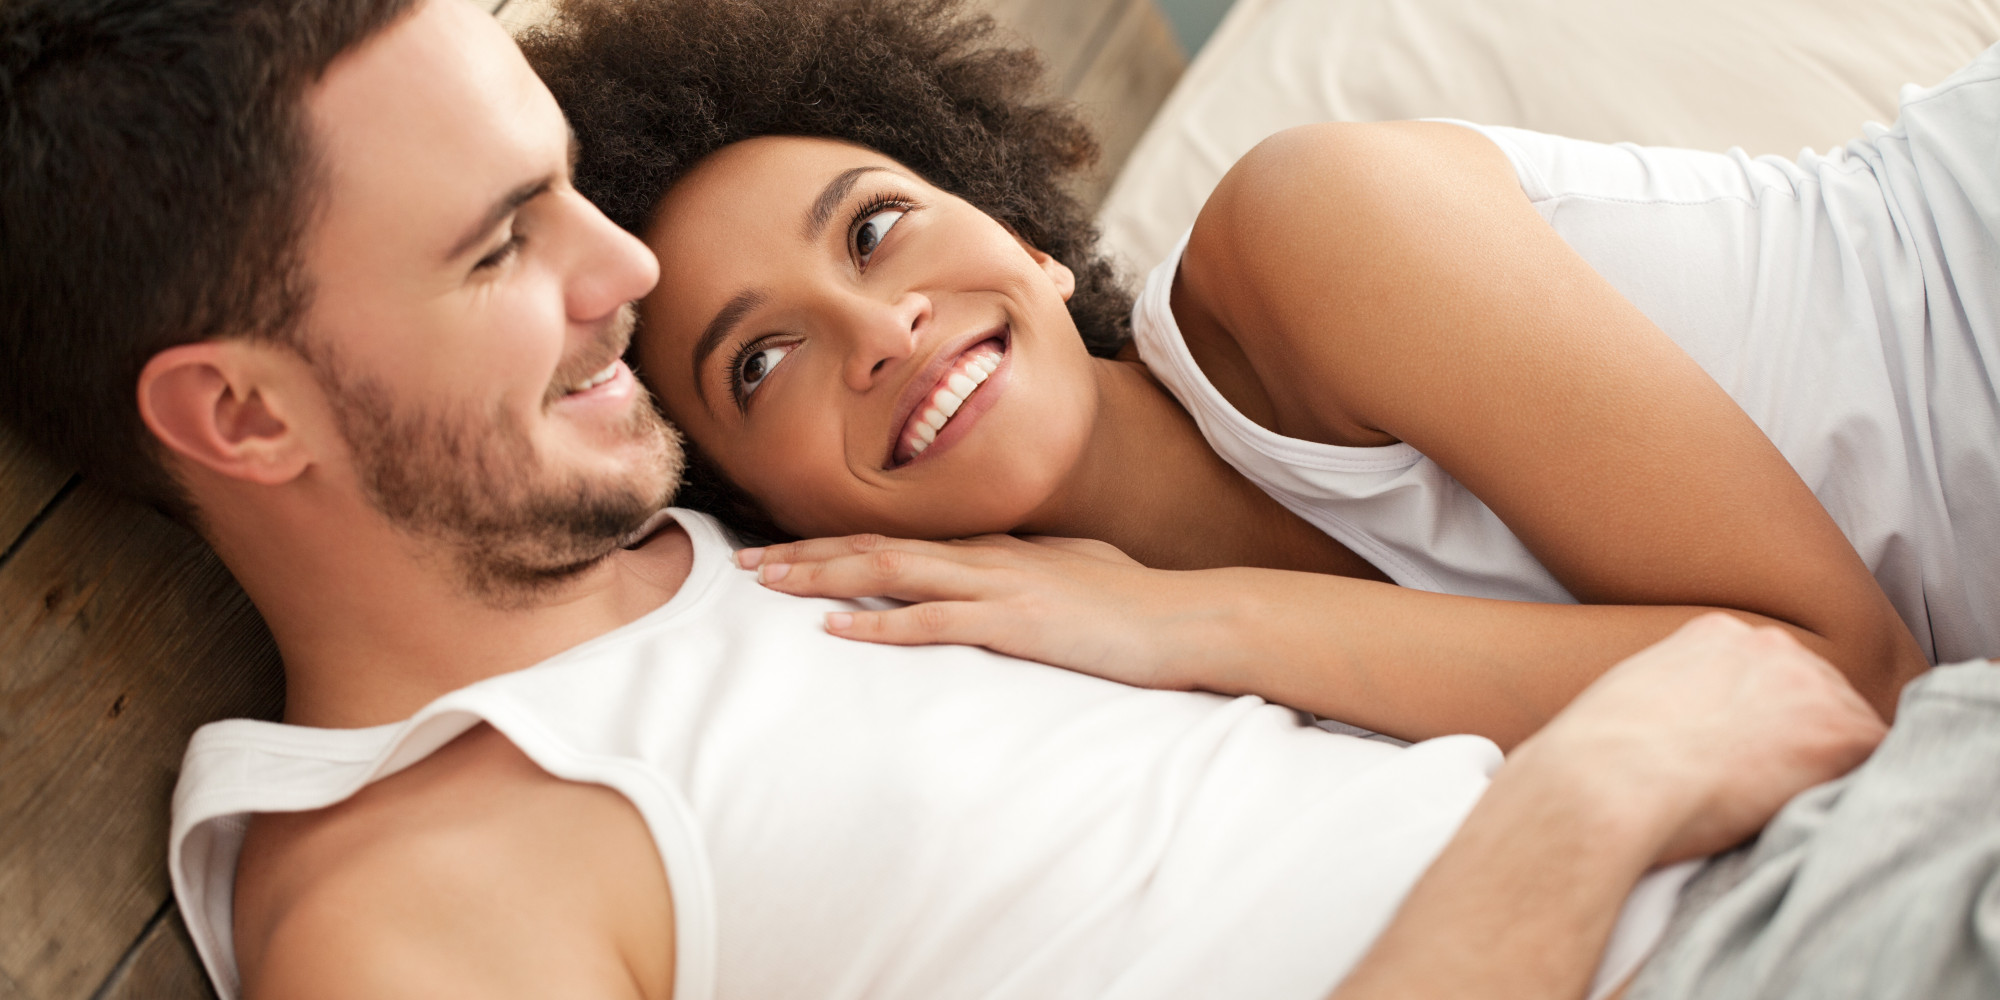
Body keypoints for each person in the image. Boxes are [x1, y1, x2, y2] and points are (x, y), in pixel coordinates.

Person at [0, 1, 1989, 999]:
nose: (622, 271)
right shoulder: (415, 900)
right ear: (241, 415)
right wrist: (1593, 799)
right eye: (503, 240)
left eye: (572, 191)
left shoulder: (782, 558)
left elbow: (1800, 675)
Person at [529, 0, 2000, 750]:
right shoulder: (1115, 707)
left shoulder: (1306, 232)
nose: (881, 328)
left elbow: (1841, 674)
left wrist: (1184, 620)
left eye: (873, 227)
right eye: (762, 361)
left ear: (1030, 241)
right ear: (771, 514)